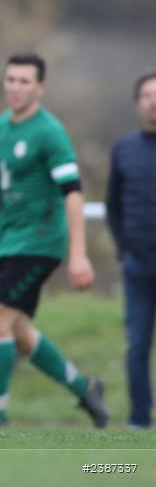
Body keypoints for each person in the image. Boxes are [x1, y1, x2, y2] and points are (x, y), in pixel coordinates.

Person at [0, 53, 108, 427]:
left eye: (25, 81)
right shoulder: (2, 126)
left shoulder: (49, 132)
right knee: (16, 330)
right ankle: (85, 389)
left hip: (40, 242)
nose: (16, 87)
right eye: (11, 79)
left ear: (41, 88)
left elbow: (73, 193)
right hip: (9, 241)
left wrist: (78, 254)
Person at [106, 72, 156, 429]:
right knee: (137, 344)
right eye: (147, 95)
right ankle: (139, 418)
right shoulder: (124, 148)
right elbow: (113, 205)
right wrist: (123, 248)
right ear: (137, 102)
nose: (153, 101)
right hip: (137, 265)